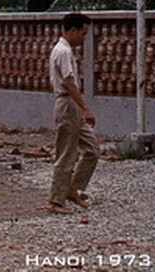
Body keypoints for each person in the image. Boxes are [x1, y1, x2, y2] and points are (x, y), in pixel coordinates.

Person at [47, 13, 98, 214]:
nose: (83, 38)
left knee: (92, 150)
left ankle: (72, 189)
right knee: (67, 154)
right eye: (82, 33)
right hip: (68, 104)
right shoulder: (63, 52)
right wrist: (85, 108)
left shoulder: (65, 51)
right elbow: (69, 82)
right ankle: (55, 200)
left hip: (73, 105)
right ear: (73, 30)